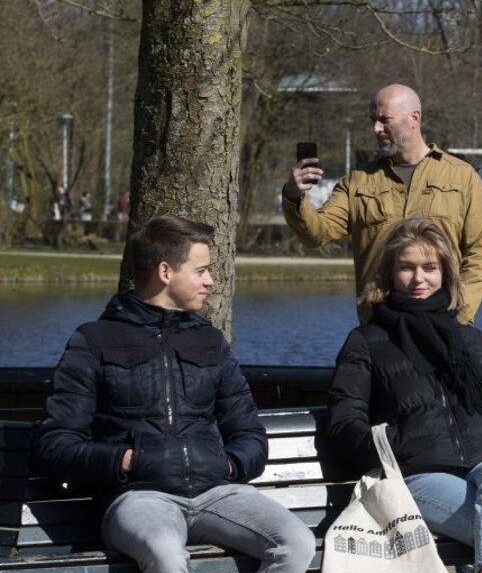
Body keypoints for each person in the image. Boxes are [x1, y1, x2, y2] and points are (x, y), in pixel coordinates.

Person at [33, 215, 315, 573]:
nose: (210, 281)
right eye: (201, 271)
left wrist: (227, 464)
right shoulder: (93, 341)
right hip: (138, 498)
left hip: (219, 492)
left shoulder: (210, 342)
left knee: (296, 542)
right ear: (166, 272)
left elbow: (250, 435)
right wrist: (128, 461)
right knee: (165, 553)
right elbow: (55, 444)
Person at [326, 218, 482, 573]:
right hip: (416, 478)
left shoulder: (468, 338)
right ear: (389, 273)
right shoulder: (367, 341)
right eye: (407, 267)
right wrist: (394, 445)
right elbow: (344, 422)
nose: (419, 279)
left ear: (445, 272)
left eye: (430, 268)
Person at [283, 83, 482, 324]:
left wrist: (458, 316)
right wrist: (293, 195)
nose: (376, 128)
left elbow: (480, 254)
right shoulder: (357, 182)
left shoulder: (462, 177)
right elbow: (315, 234)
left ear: (414, 118)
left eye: (385, 120)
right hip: (379, 329)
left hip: (444, 327)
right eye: (373, 120)